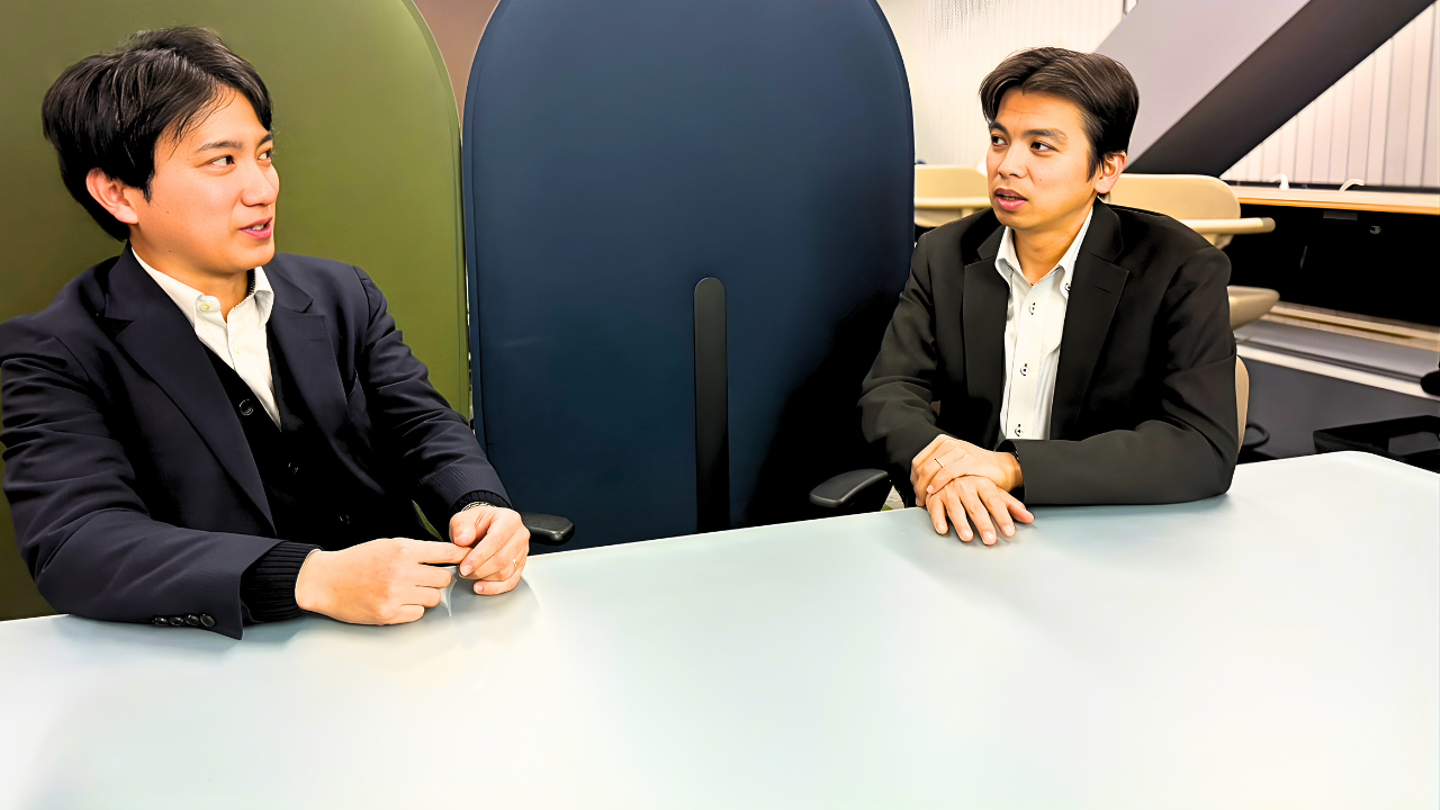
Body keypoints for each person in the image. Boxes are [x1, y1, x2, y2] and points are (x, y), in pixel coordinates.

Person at [0, 28, 528, 639]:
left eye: (265, 154)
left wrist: (477, 503)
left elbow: (421, 426)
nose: (263, 188)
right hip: (228, 661)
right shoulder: (53, 353)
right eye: (222, 161)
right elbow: (77, 543)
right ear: (118, 194)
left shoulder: (343, 294)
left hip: (413, 636)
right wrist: (310, 577)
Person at [859, 47, 1238, 543]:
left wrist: (1011, 467)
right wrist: (949, 472)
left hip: (1104, 536)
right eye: (999, 140)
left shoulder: (1179, 267)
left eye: (1040, 146)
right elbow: (890, 392)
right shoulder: (944, 254)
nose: (1007, 165)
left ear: (1106, 169)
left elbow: (1201, 445)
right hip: (966, 528)